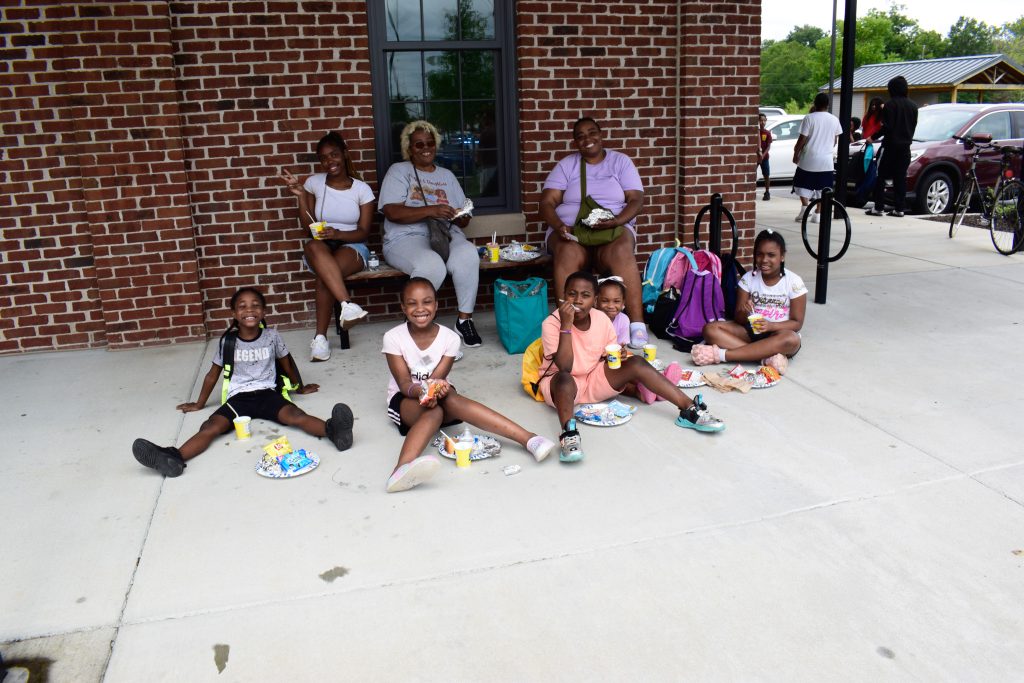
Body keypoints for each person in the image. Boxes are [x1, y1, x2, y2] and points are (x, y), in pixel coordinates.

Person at [131, 287, 354, 477]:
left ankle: (335, 431)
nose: (250, 310)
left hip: (268, 394)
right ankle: (174, 458)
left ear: (264, 311)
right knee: (211, 427)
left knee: (296, 416)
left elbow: (286, 363)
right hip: (238, 398)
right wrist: (199, 404)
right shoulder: (227, 341)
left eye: (256, 305)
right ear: (235, 313)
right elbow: (212, 374)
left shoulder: (272, 336)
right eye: (243, 306)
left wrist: (300, 387)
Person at [382, 277, 555, 493]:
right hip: (406, 399)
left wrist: (435, 390)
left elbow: (438, 378)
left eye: (426, 302)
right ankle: (400, 471)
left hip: (440, 393)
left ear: (436, 305)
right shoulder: (393, 337)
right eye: (412, 303)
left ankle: (530, 440)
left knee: (449, 399)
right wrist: (422, 391)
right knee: (433, 413)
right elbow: (404, 383)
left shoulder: (450, 338)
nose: (420, 309)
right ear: (403, 307)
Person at [538, 271, 725, 463]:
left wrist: (619, 357)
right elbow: (565, 367)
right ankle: (569, 434)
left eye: (585, 295)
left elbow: (606, 357)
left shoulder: (601, 320)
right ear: (563, 295)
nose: (577, 301)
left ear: (594, 300)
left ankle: (689, 409)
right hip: (564, 387)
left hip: (593, 378)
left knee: (636, 362)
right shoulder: (552, 323)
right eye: (572, 294)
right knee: (563, 379)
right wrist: (566, 326)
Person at [539, 117, 651, 349]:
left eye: (592, 133)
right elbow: (547, 202)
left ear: (601, 135)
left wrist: (616, 221)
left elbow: (636, 199)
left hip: (612, 231)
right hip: (571, 232)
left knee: (621, 250)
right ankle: (566, 321)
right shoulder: (567, 165)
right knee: (568, 252)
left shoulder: (620, 162)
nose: (587, 139)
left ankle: (637, 324)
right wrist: (559, 224)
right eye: (580, 136)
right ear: (575, 142)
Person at [379, 120, 483, 348]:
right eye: (419, 144)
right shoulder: (399, 171)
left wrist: (462, 216)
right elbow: (391, 211)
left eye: (430, 143)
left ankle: (464, 321)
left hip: (445, 234)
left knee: (467, 254)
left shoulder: (446, 175)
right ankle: (418, 328)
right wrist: (431, 210)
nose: (426, 148)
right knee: (432, 266)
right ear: (409, 148)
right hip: (405, 237)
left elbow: (462, 218)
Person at [280, 132, 373, 362]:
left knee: (324, 275)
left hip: (353, 246)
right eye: (324, 158)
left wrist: (339, 233)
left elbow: (364, 231)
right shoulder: (314, 183)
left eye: (334, 155)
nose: (329, 161)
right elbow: (307, 226)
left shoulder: (361, 189)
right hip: (321, 246)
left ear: (344, 154)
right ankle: (347, 305)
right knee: (313, 246)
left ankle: (320, 339)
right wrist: (301, 196)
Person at [691, 229, 806, 373]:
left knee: (792, 339)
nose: (764, 260)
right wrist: (744, 312)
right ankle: (763, 359)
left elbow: (797, 323)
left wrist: (770, 326)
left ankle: (722, 355)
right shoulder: (748, 279)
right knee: (710, 329)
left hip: (778, 334)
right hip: (750, 332)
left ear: (782, 256)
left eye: (771, 255)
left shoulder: (794, 282)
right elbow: (738, 319)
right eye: (760, 254)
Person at [866, 77, 918, 218]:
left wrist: (872, 138)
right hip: (905, 147)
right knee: (900, 178)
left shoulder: (889, 105)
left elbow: (886, 127)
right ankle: (899, 208)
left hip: (889, 147)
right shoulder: (913, 107)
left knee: (880, 175)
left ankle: (878, 207)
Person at [792, 93, 843, 224]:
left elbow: (802, 139)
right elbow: (835, 140)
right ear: (828, 105)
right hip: (826, 161)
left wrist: (796, 153)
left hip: (808, 159)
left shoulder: (809, 118)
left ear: (815, 103)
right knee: (823, 188)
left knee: (801, 184)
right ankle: (817, 214)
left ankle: (804, 208)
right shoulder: (834, 119)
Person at [758, 112, 773, 200]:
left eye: (764, 120)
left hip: (764, 157)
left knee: (766, 175)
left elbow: (768, 146)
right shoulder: (755, 132)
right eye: (760, 120)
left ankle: (767, 192)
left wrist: (762, 156)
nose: (762, 122)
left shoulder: (767, 133)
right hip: (755, 157)